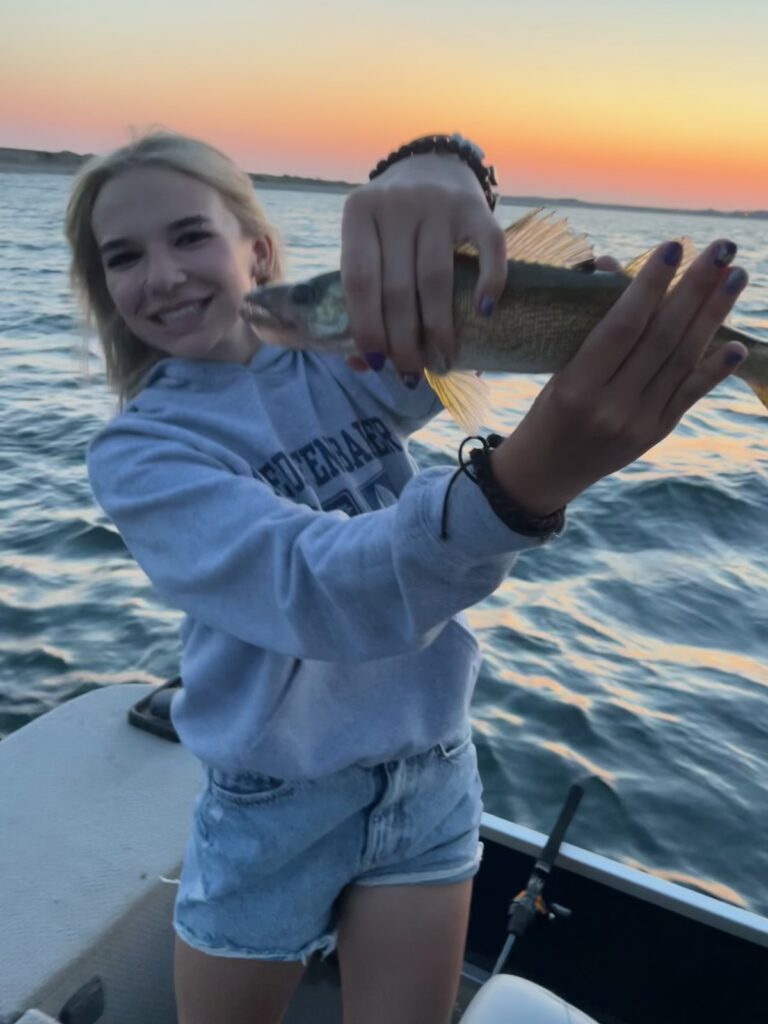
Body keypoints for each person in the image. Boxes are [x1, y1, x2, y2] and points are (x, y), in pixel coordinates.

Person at [66, 129, 748, 1024]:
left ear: (258, 251)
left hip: (428, 765)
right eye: (123, 256)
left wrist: (443, 169)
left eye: (189, 235)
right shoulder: (141, 453)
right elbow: (315, 590)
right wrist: (518, 486)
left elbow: (456, 318)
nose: (160, 275)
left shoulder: (339, 355)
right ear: (102, 285)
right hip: (273, 798)